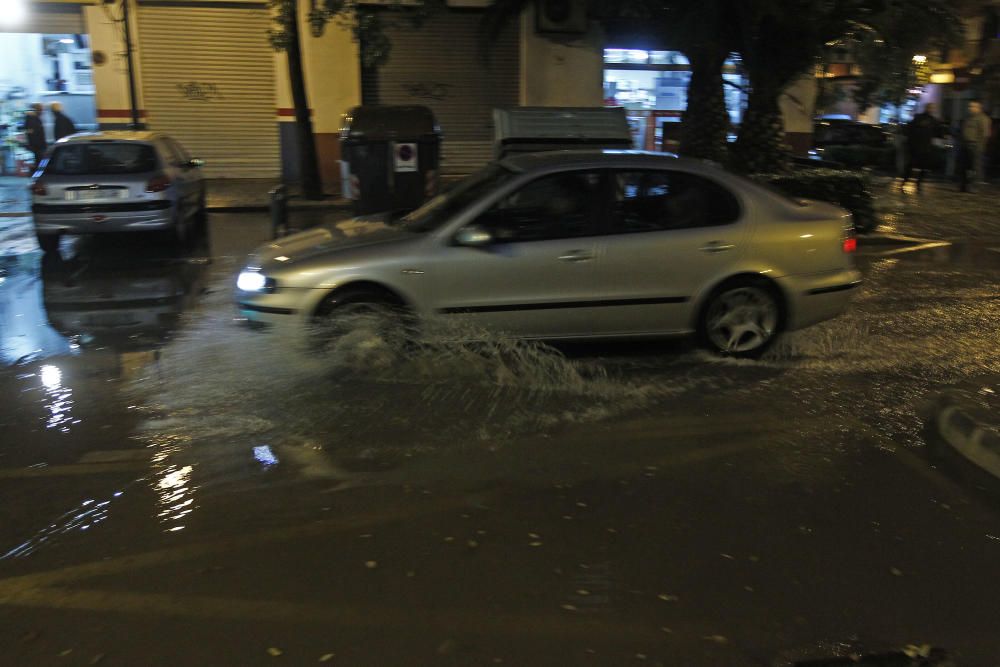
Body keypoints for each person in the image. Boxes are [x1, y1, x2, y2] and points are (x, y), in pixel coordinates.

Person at [901, 104, 944, 192]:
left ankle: (918, 184)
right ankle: (905, 183)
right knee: (911, 166)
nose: (931, 109)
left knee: (923, 167)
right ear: (926, 108)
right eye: (930, 108)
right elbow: (910, 129)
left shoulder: (933, 120)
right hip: (916, 147)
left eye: (932, 108)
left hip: (925, 148)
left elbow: (938, 132)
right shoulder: (919, 118)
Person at [958, 100, 991, 192]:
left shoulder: (983, 119)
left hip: (975, 145)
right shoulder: (968, 118)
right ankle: (963, 185)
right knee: (964, 166)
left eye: (973, 106)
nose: (970, 108)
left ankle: (975, 186)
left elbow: (985, 135)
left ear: (979, 108)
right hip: (965, 145)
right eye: (970, 106)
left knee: (976, 168)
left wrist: (980, 147)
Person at [22, 103, 47, 172]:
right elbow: (32, 132)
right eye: (41, 110)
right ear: (37, 110)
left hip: (37, 145)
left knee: (39, 161)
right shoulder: (32, 118)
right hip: (37, 145)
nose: (42, 112)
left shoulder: (33, 118)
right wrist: (38, 145)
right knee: (40, 162)